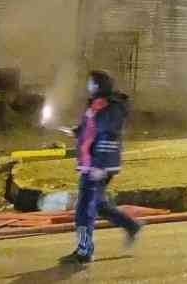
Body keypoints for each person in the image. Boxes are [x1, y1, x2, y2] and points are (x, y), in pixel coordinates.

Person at [59, 70, 142, 265]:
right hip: (92, 164)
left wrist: (100, 166)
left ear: (100, 85)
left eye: (92, 82)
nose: (89, 85)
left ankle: (84, 251)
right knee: (99, 204)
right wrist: (75, 132)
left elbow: (108, 136)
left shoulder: (111, 107)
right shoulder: (97, 104)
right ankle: (131, 226)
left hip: (98, 165)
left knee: (83, 209)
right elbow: (89, 128)